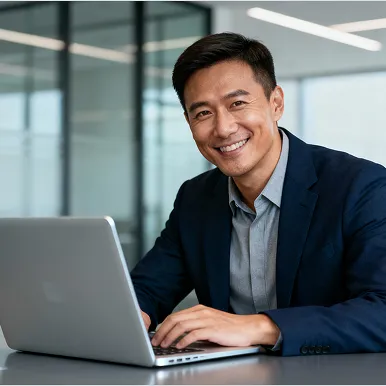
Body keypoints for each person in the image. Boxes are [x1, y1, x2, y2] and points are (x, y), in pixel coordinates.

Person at [131, 32, 386, 356]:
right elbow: (148, 288)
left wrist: (260, 326)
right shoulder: (195, 198)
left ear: (275, 102)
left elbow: (382, 310)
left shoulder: (362, 187)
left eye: (237, 103)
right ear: (189, 121)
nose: (223, 128)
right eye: (203, 113)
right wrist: (131, 315)